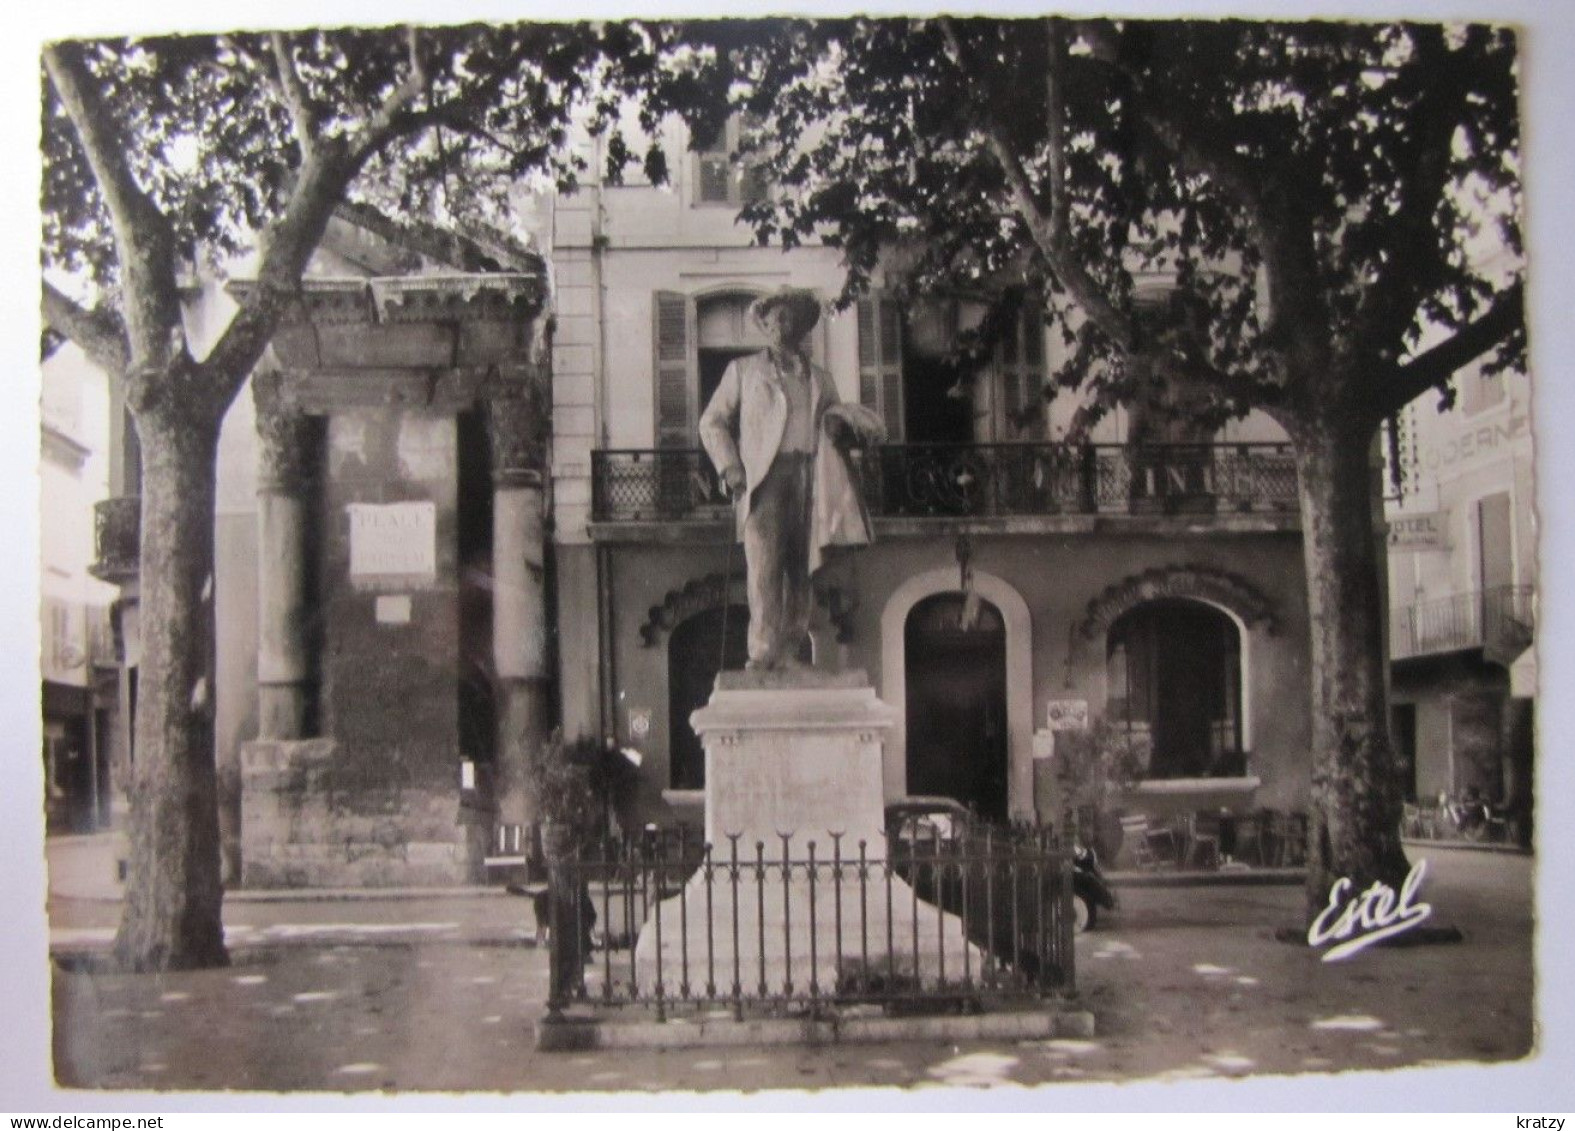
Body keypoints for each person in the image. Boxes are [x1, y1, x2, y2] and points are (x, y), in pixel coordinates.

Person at [698, 288, 882, 670]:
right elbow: (712, 421)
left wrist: (849, 429)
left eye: (791, 318)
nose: (784, 325)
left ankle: (793, 650)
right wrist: (731, 468)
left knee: (801, 569)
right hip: (766, 481)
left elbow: (834, 425)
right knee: (764, 567)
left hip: (810, 479)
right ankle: (763, 652)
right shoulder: (744, 371)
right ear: (765, 324)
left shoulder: (819, 379)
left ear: (802, 325)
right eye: (777, 318)